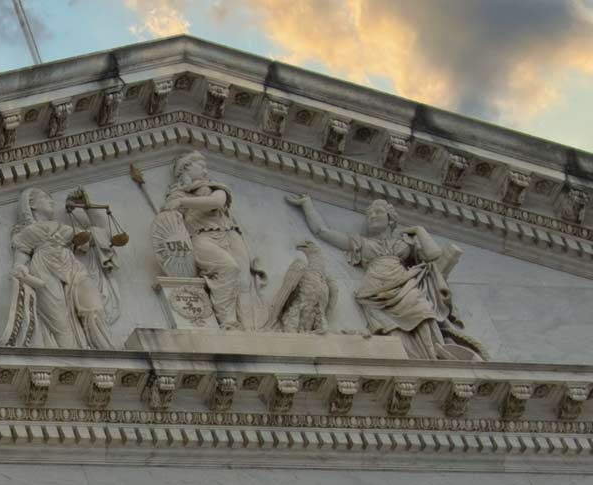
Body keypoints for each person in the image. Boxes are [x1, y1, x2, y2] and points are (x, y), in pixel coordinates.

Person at [285, 194, 485, 360]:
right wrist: (307, 205)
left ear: (390, 219)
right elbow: (323, 232)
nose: (372, 216)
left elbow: (433, 255)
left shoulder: (403, 244)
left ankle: (434, 355)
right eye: (369, 213)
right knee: (392, 330)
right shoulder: (362, 244)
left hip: (405, 284)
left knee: (423, 312)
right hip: (376, 291)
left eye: (378, 212)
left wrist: (419, 231)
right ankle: (412, 358)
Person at [160, 152, 267, 329]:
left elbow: (216, 202)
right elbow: (170, 227)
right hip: (201, 237)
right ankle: (228, 322)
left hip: (229, 234)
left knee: (243, 282)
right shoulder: (174, 195)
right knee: (228, 267)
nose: (205, 170)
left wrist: (182, 203)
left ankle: (250, 328)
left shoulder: (216, 188)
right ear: (186, 167)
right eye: (201, 166)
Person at [2, 187, 115, 349]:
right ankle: (74, 366)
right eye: (45, 197)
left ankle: (107, 351)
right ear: (32, 204)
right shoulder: (28, 232)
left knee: (94, 307)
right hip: (44, 271)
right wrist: (21, 270)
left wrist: (87, 207)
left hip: (73, 269)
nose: (51, 201)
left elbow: (103, 237)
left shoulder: (64, 229)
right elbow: (20, 260)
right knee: (61, 326)